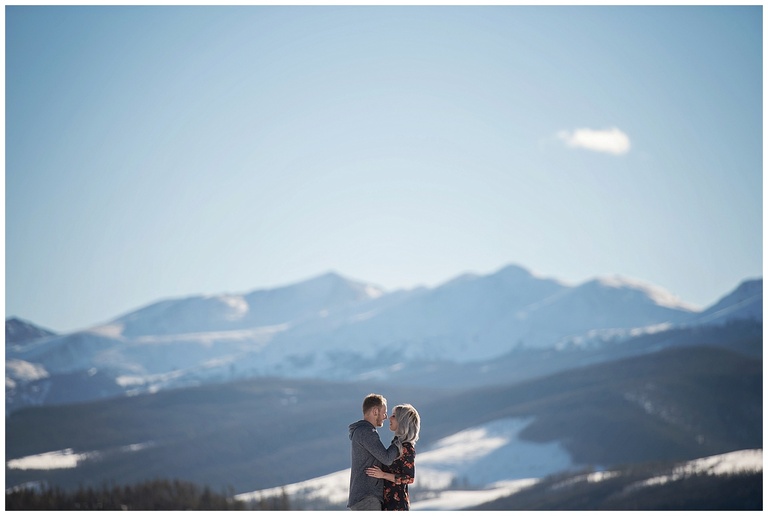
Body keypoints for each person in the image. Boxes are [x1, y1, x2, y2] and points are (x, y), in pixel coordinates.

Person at [348, 394, 403, 510]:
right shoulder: (366, 432)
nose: (386, 416)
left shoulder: (363, 431)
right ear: (375, 411)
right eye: (384, 412)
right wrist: (399, 440)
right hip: (367, 497)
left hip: (364, 497)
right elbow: (387, 458)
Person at [365, 404, 420, 511]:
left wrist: (383, 475)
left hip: (397, 505)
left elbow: (409, 477)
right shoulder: (396, 445)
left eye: (394, 416)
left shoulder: (406, 447)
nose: (389, 417)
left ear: (402, 422)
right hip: (387, 502)